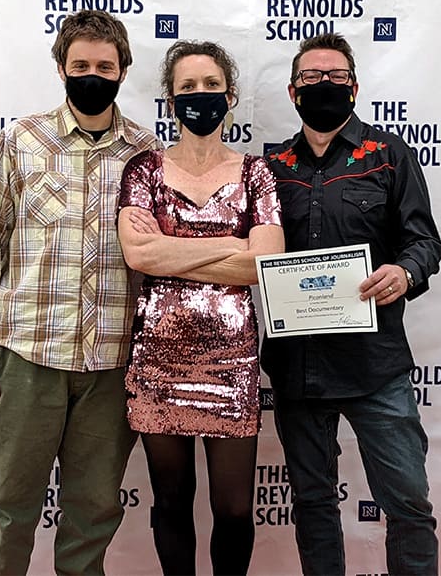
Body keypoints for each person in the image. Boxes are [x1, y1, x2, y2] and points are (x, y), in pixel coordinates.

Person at [0, 9, 160, 576]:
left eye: (104, 65)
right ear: (61, 68)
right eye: (80, 65)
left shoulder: (146, 156)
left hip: (112, 365)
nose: (92, 74)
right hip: (27, 358)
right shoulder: (21, 142)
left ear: (123, 70)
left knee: (92, 516)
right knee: (9, 512)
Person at [261, 33, 441, 576]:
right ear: (294, 92)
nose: (325, 85)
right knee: (314, 507)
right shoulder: (270, 167)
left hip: (375, 365)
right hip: (299, 368)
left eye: (336, 77)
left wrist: (405, 272)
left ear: (355, 87)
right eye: (312, 78)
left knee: (408, 505)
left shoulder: (389, 155)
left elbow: (425, 242)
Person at [117, 39, 284, 576]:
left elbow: (265, 263)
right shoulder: (143, 170)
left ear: (229, 97)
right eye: (187, 86)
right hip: (158, 360)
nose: (200, 95)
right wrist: (231, 247)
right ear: (170, 99)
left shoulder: (256, 172)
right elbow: (139, 254)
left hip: (232, 361)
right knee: (170, 502)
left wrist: (174, 251)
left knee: (234, 509)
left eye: (211, 85)